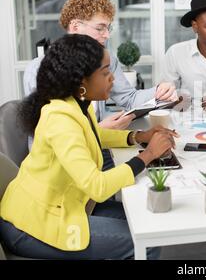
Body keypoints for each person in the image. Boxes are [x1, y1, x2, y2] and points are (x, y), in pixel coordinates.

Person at [0, 34, 179, 259]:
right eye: (105, 72)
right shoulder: (60, 118)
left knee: (144, 218)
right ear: (81, 81)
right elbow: (97, 186)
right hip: (33, 226)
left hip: (63, 206)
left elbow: (93, 135)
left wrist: (138, 136)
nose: (112, 78)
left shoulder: (75, 104)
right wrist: (149, 154)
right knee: (146, 241)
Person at [23, 0, 177, 169]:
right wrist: (97, 128)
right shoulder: (40, 69)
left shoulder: (106, 59)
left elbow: (129, 99)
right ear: (75, 27)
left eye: (108, 28)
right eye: (100, 28)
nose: (106, 35)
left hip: (99, 144)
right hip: (58, 161)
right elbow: (52, 131)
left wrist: (160, 90)